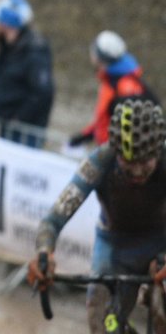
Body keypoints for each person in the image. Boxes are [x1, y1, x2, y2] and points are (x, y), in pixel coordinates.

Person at [28, 100, 166, 333]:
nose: (137, 172)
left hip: (160, 242)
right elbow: (52, 220)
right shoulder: (100, 161)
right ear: (115, 151)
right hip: (115, 246)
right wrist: (44, 253)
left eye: (145, 163)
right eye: (128, 163)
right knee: (101, 322)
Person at [0, 0, 54, 147]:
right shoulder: (8, 46)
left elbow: (42, 92)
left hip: (23, 133)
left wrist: (19, 118)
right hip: (6, 127)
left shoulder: (35, 50)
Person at [70, 31, 158, 148]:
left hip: (117, 152)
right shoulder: (110, 80)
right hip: (108, 147)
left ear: (101, 57)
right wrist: (85, 136)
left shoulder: (124, 86)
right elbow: (105, 117)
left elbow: (132, 125)